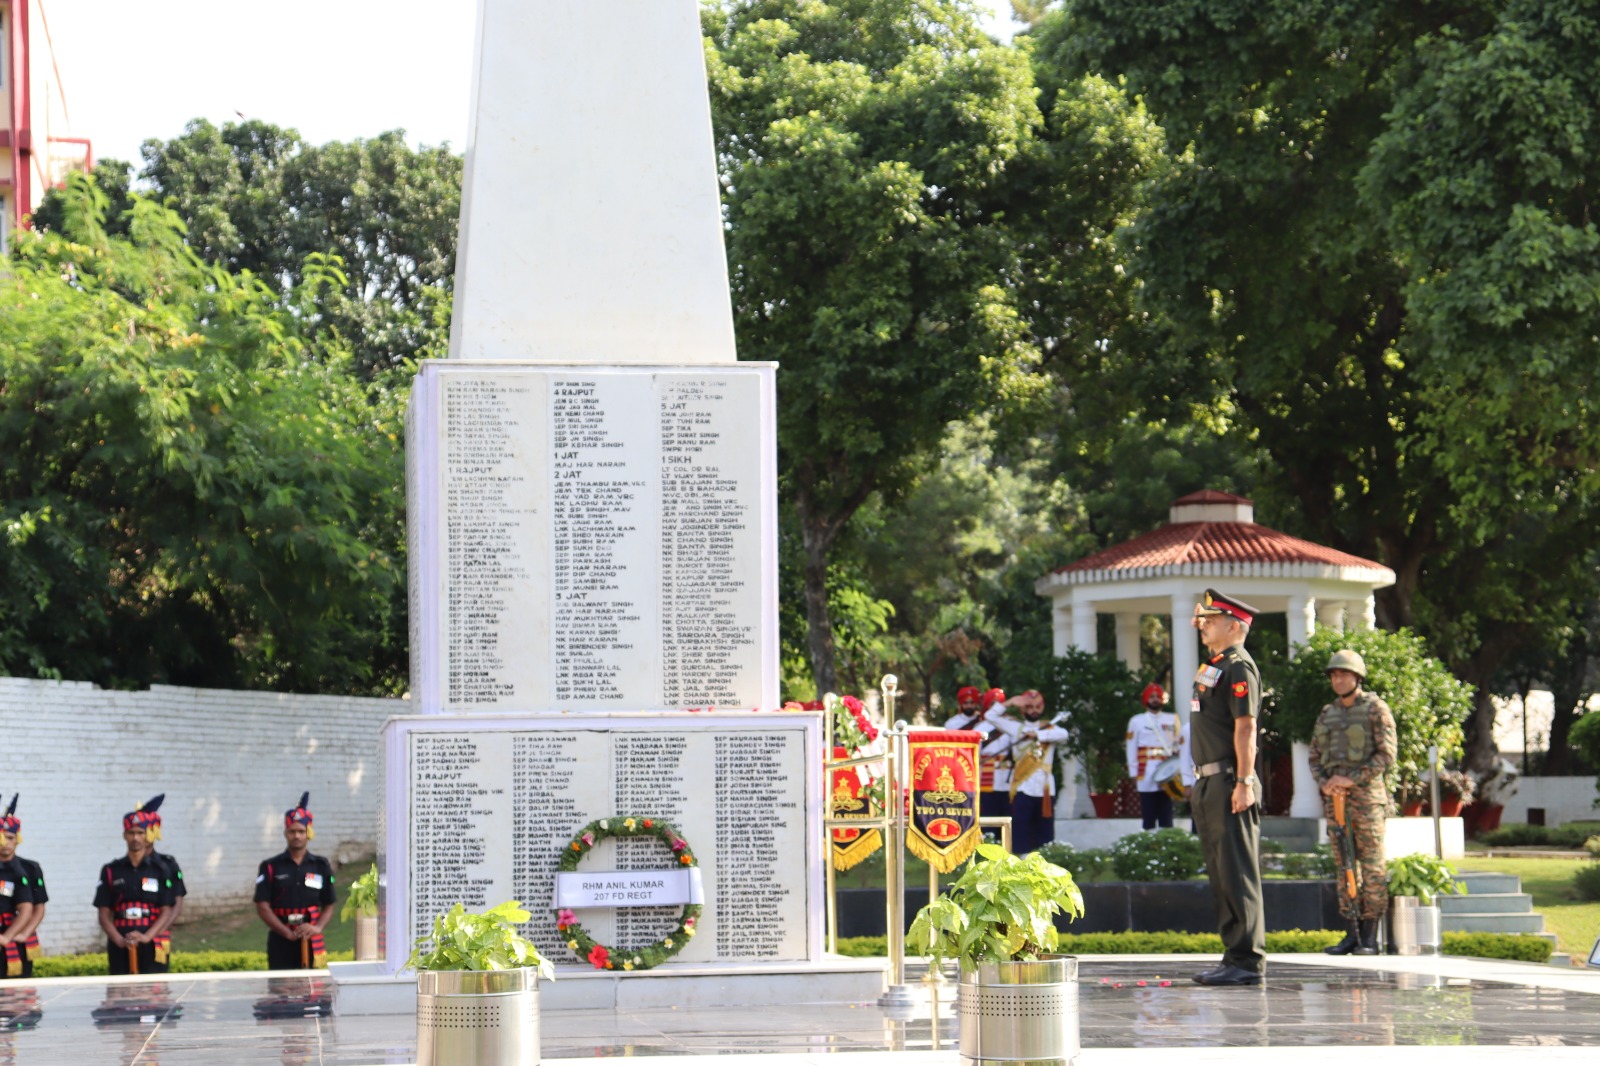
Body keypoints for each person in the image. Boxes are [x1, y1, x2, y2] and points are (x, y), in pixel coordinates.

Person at [1189, 589, 1266, 986]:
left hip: (1229, 780)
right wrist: (1202, 621)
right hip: (1208, 780)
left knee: (1237, 871)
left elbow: (1246, 727)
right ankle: (1233, 954)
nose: (1203, 625)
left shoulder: (1239, 667)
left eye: (1212, 620)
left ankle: (1248, 960)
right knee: (1222, 872)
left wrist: (1244, 781)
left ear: (1234, 626)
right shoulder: (1216, 664)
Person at [1309, 649, 1397, 956]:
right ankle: (1351, 933)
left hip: (1366, 800)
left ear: (1357, 677)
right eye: (1334, 675)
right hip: (1336, 801)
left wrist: (1352, 779)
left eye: (1344, 674)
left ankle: (1370, 937)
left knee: (1371, 866)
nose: (1338, 679)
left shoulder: (1375, 708)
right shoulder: (1326, 713)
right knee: (1343, 865)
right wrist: (1326, 782)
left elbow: (1386, 755)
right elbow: (1314, 756)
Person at [255, 793, 338, 970]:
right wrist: (286, 933)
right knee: (281, 991)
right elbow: (262, 906)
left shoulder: (320, 865)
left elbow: (329, 904)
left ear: (308, 833)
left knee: (313, 991)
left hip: (311, 938)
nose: (297, 836)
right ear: (286, 833)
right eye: (292, 831)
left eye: (301, 831)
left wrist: (318, 928)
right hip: (281, 938)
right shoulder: (270, 866)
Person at [95, 800, 177, 975]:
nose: (136, 838)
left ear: (147, 835)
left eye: (140, 833)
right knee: (120, 994)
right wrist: (118, 939)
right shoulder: (111, 870)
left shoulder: (160, 869)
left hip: (151, 936)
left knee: (155, 994)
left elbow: (167, 910)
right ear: (124, 835)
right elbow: (103, 914)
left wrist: (147, 936)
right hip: (120, 937)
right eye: (131, 833)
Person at [985, 689, 1067, 854]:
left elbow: (1064, 735)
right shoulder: (1015, 727)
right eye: (1029, 707)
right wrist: (1010, 703)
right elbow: (990, 717)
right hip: (1022, 787)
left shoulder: (1050, 728)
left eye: (1037, 706)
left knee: (1045, 835)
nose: (1033, 710)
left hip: (1045, 789)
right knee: (1021, 833)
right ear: (1022, 709)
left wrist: (1036, 734)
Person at [135, 795, 187, 965]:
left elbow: (176, 903)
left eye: (142, 831)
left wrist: (157, 930)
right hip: (129, 936)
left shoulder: (167, 865)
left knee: (158, 987)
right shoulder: (121, 867)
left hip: (158, 938)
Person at [1126, 683, 1182, 830]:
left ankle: (1167, 840)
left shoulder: (1172, 719)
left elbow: (1176, 744)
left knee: (1166, 811)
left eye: (1158, 696)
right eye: (1152, 696)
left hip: (1167, 769)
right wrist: (1133, 772)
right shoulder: (1136, 721)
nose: (1155, 699)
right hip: (1146, 770)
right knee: (1148, 812)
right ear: (1146, 699)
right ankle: (1148, 842)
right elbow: (1131, 748)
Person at [4, 797, 46, 977]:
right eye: (1, 837)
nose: (5, 842)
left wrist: (24, 932)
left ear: (17, 838)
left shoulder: (30, 868)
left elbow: (38, 907)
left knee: (18, 994)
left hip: (17, 935)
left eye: (10, 837)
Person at [0, 800, 35, 980]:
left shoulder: (23, 870)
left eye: (10, 837)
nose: (5, 842)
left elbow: (32, 908)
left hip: (12, 935)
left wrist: (18, 934)